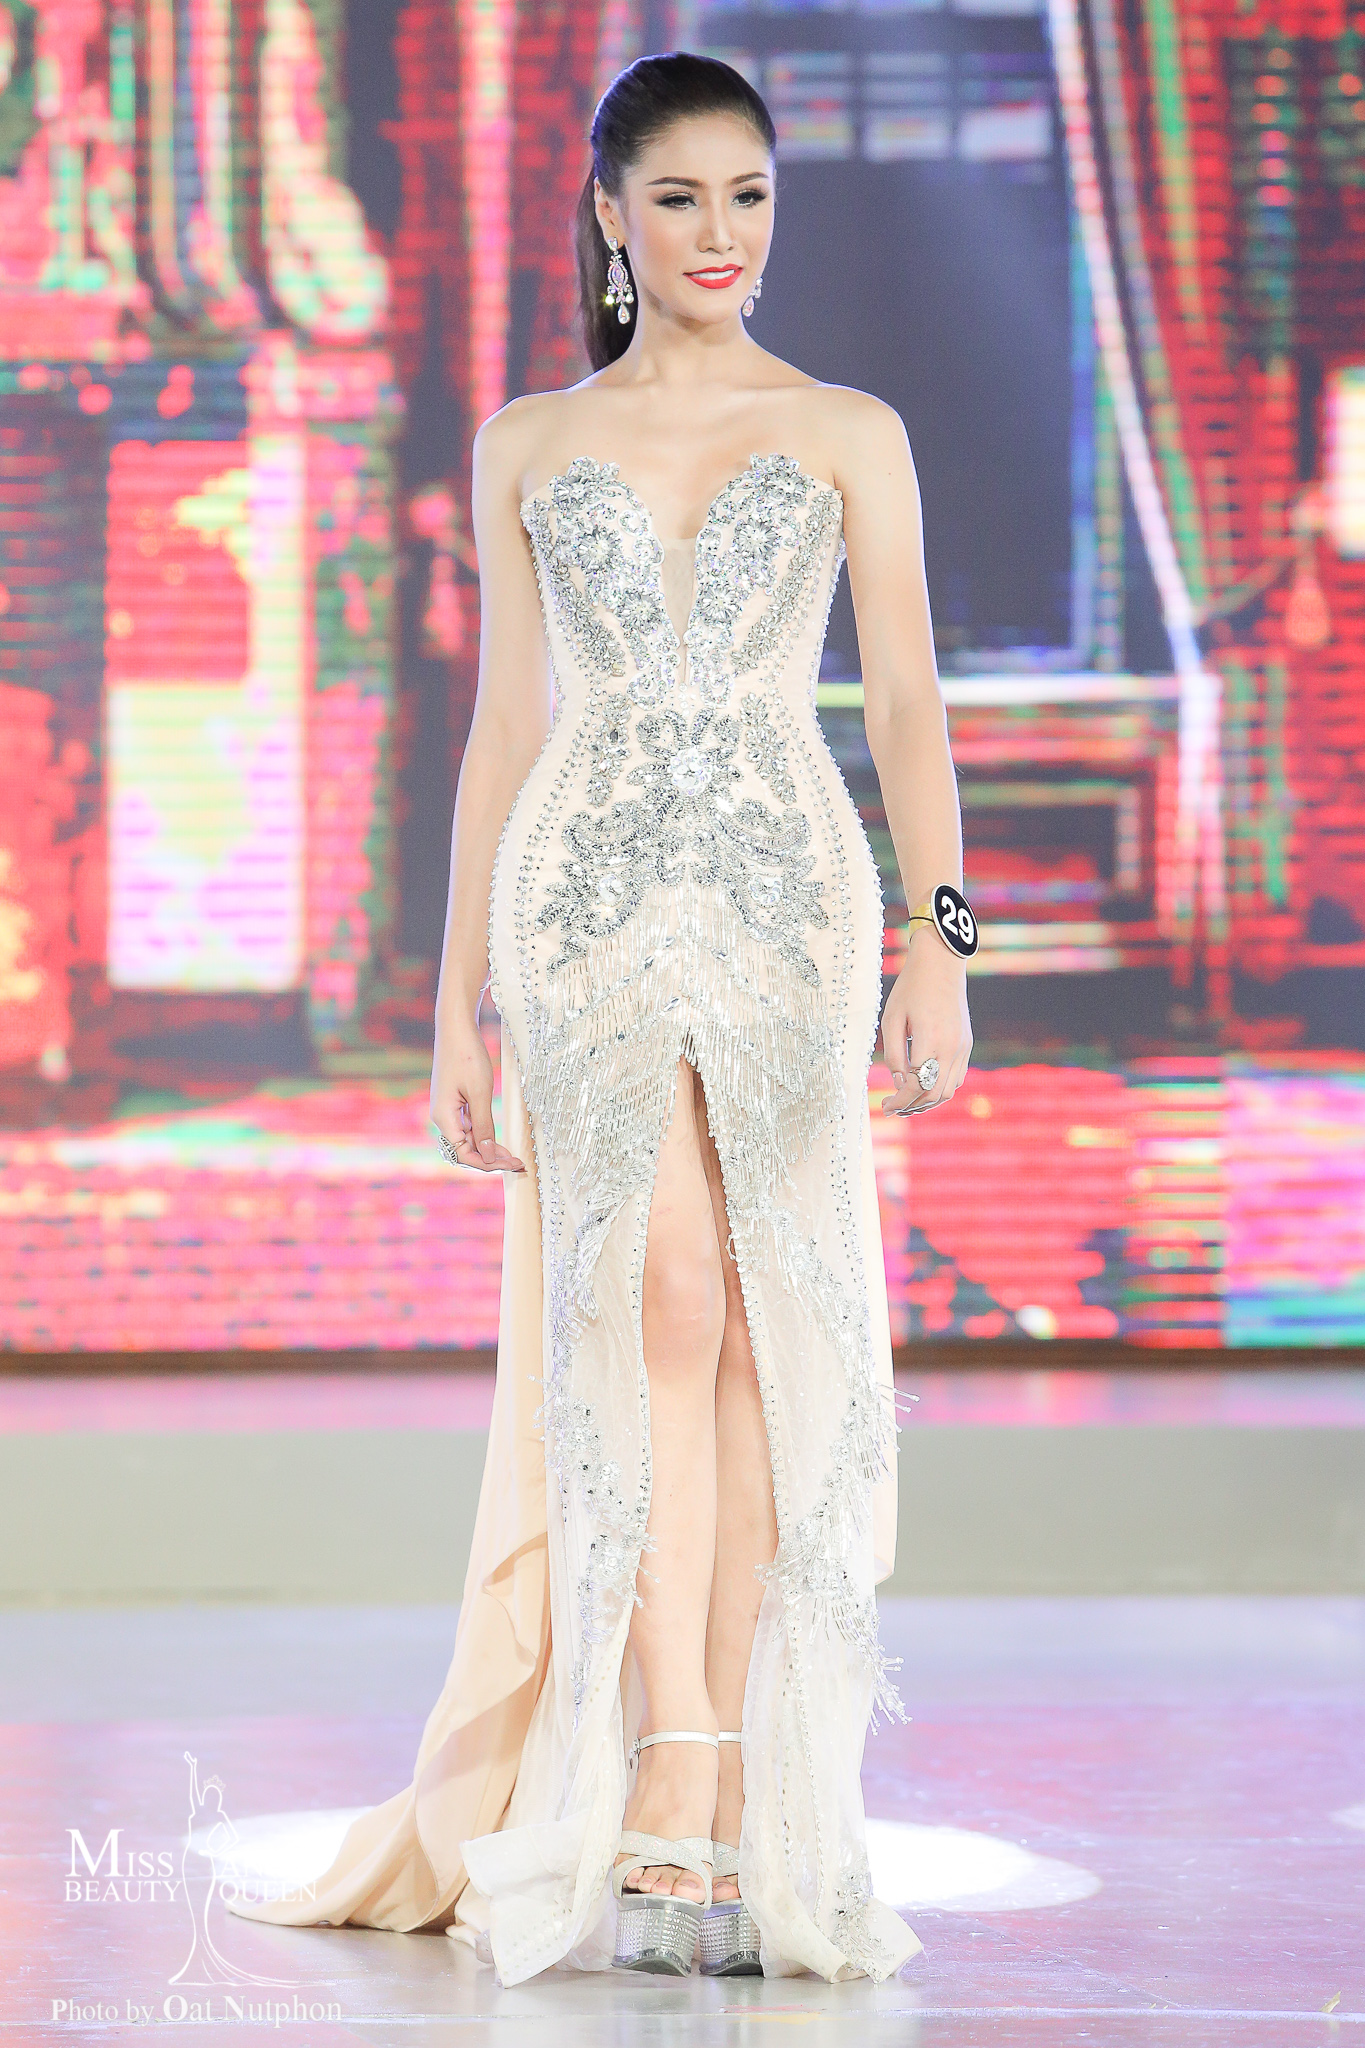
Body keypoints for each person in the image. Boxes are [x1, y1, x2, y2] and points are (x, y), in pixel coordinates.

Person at [229, 49, 973, 1986]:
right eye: (681, 197)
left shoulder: (848, 430)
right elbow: (502, 731)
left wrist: (940, 940)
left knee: (758, 1331)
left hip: (786, 902)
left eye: (749, 196)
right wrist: (450, 1007)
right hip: (581, 911)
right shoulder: (527, 444)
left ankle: (729, 1798)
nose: (721, 234)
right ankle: (670, 1778)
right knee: (651, 1305)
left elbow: (905, 701)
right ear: (610, 215)